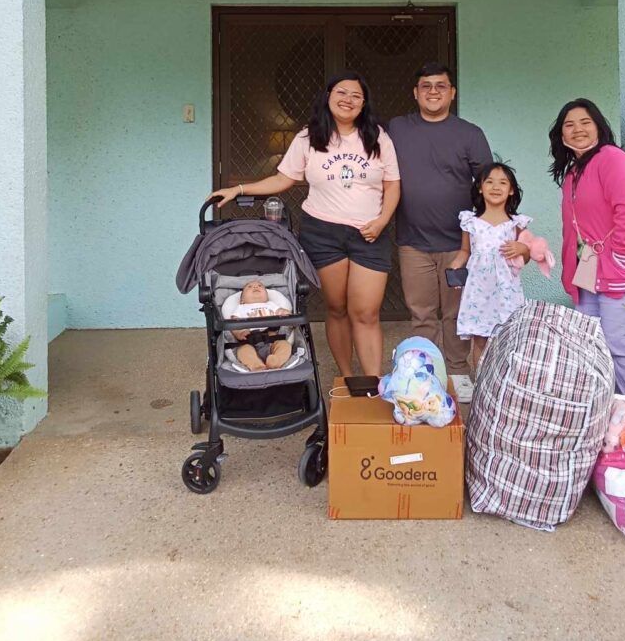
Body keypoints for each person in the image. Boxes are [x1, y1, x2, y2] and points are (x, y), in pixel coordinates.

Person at [208, 72, 400, 377]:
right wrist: (239, 189)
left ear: (363, 104)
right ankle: (348, 380)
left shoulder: (377, 137)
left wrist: (381, 221)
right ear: (328, 96)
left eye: (356, 96)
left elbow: (393, 184)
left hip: (370, 232)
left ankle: (372, 384)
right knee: (336, 309)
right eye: (341, 92)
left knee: (365, 313)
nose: (347, 99)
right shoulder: (308, 137)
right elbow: (285, 178)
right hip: (322, 232)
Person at [388, 63, 492, 403]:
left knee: (456, 314)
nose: (434, 91)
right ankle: (426, 373)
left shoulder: (470, 134)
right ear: (415, 93)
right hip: (413, 241)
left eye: (441, 86)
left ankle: (459, 372)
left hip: (458, 245)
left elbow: (487, 186)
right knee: (421, 313)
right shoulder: (397, 129)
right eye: (426, 86)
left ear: (452, 93)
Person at [549, 98, 625, 402]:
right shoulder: (573, 172)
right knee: (592, 346)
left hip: (623, 270)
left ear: (598, 125)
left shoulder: (613, 159)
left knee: (621, 346)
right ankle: (611, 421)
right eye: (569, 125)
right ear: (561, 135)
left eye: (585, 122)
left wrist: (620, 259)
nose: (577, 129)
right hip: (589, 269)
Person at [452, 163, 547, 369]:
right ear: (480, 187)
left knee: (506, 339)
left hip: (506, 292)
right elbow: (464, 252)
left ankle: (501, 388)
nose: (496, 187)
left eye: (503, 183)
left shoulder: (517, 223)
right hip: (478, 291)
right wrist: (454, 268)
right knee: (480, 340)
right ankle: (480, 385)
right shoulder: (470, 221)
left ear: (511, 190)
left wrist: (521, 248)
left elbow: (527, 256)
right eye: (490, 182)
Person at [221, 279, 293, 371]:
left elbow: (282, 312)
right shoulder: (241, 308)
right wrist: (239, 332)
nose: (255, 287)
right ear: (242, 300)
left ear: (267, 296)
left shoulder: (271, 305)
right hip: (249, 340)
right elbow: (234, 323)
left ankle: (276, 361)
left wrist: (286, 314)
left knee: (285, 345)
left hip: (272, 339)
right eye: (249, 287)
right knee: (242, 351)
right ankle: (256, 365)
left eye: (260, 286)